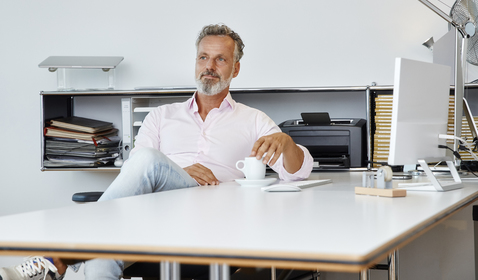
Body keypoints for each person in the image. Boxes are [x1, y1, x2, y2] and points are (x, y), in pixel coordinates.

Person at [0, 24, 313, 280]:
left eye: (220, 59)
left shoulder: (253, 119)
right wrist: (177, 171)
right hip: (153, 218)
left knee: (140, 177)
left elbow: (298, 172)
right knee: (107, 244)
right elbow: (136, 170)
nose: (209, 67)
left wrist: (285, 142)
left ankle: (58, 257)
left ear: (236, 68)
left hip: (218, 219)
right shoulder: (162, 116)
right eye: (203, 58)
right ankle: (60, 259)